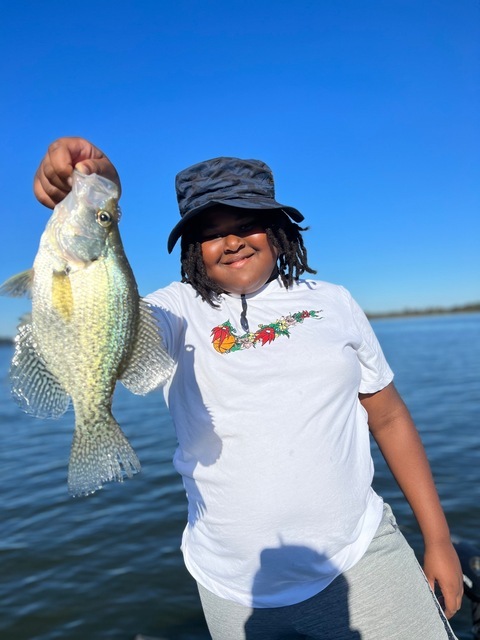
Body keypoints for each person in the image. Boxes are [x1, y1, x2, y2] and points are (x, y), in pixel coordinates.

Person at [34, 137, 463, 640]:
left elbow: (388, 417)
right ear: (194, 249)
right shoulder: (177, 310)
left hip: (361, 556)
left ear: (279, 229)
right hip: (231, 586)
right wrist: (99, 192)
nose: (232, 241)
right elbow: (108, 310)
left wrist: (438, 539)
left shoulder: (334, 303)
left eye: (245, 224)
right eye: (212, 233)